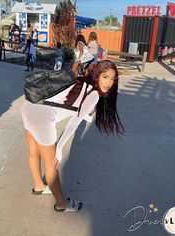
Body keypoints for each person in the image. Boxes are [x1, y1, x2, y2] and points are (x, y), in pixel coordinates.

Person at [21, 60, 125, 212]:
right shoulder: (94, 94)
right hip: (42, 117)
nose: (109, 83)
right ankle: (61, 203)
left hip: (29, 106)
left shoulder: (81, 80)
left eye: (112, 79)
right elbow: (74, 123)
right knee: (51, 164)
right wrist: (59, 148)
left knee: (33, 152)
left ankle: (39, 186)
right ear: (97, 75)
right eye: (105, 77)